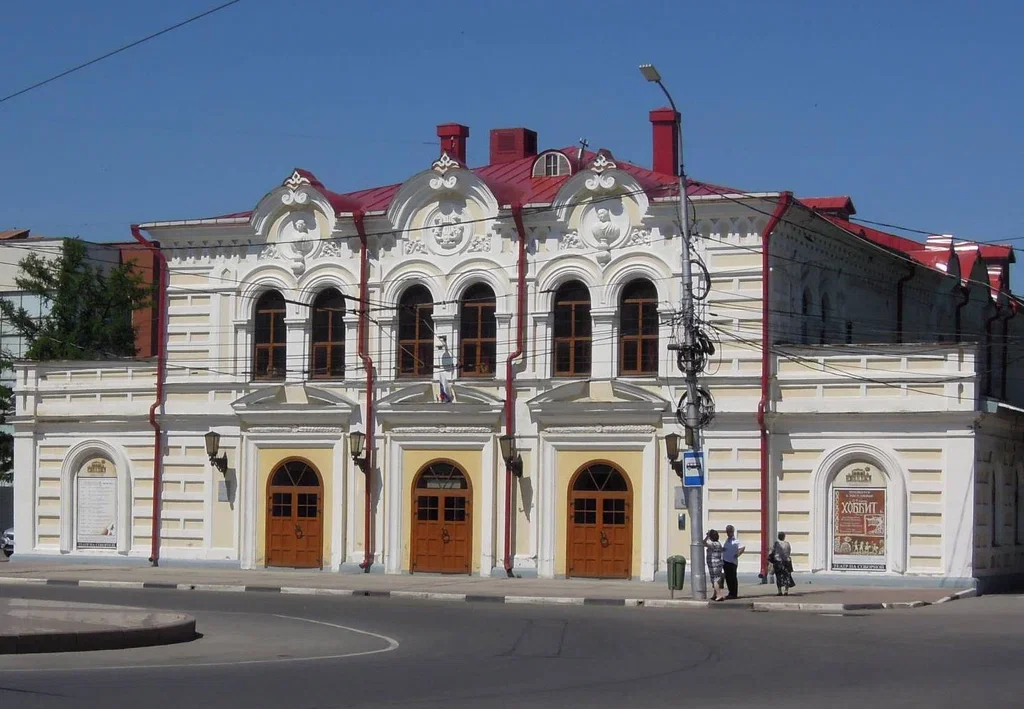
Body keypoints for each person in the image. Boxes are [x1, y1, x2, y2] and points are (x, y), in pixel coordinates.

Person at [769, 531, 795, 596]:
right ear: (784, 537)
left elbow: (773, 551)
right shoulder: (787, 544)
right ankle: (786, 591)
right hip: (787, 561)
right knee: (787, 576)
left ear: (778, 537)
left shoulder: (776, 543)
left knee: (778, 577)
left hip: (778, 562)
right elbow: (789, 551)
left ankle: (779, 591)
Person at [722, 525, 744, 599]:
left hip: (732, 562)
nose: (728, 533)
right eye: (727, 531)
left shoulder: (736, 540)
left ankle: (734, 594)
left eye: (729, 531)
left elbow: (742, 548)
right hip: (725, 561)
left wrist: (737, 554)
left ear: (732, 532)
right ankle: (730, 592)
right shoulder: (727, 540)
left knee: (733, 578)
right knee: (728, 578)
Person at [703, 529, 726, 602]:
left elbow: (703, 543)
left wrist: (707, 536)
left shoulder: (713, 544)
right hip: (718, 564)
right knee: (717, 579)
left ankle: (719, 595)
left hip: (714, 565)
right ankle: (715, 594)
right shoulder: (718, 543)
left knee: (714, 580)